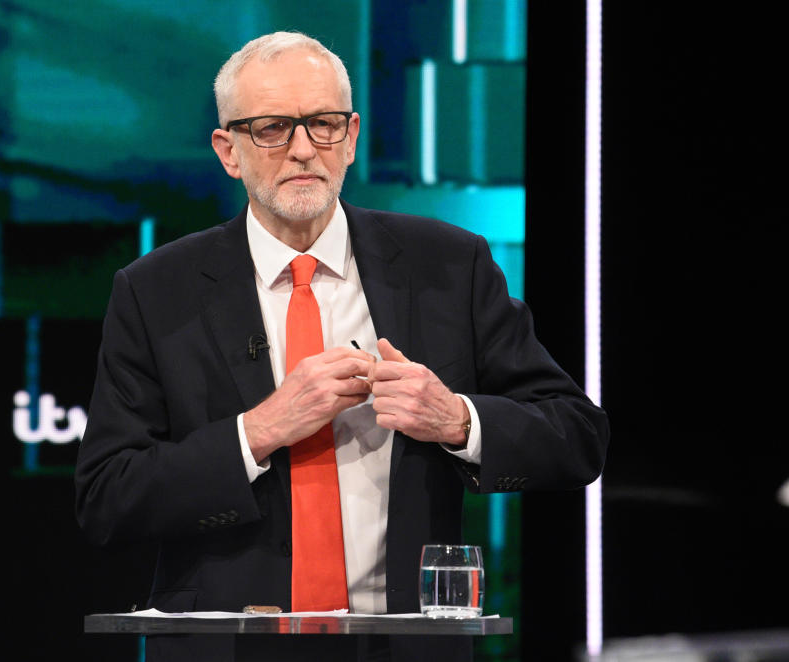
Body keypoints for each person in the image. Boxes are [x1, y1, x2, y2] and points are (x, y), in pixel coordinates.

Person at [75, 31, 609, 662]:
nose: (303, 149)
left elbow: (577, 436)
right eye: (273, 128)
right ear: (229, 150)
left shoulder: (448, 265)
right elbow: (107, 496)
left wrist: (456, 419)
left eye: (323, 124)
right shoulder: (155, 291)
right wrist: (258, 431)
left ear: (351, 137)